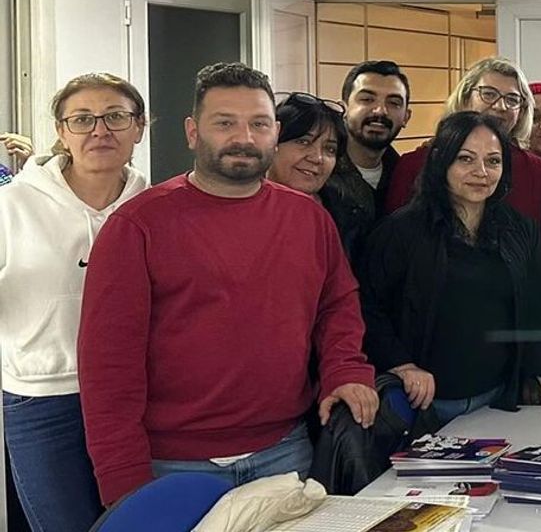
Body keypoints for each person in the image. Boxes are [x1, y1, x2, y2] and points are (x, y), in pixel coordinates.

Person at [78, 62, 377, 505]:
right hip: (172, 466)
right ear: (192, 132)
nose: (244, 138)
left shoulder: (308, 218)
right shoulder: (136, 227)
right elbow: (108, 367)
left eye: (259, 124)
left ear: (275, 133)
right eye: (225, 123)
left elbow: (337, 305)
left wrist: (345, 371)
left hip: (286, 452)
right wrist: (124, 484)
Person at [359, 111, 541, 425]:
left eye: (493, 161)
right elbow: (367, 309)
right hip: (423, 405)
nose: (481, 172)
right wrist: (402, 366)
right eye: (466, 159)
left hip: (496, 401)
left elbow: (536, 311)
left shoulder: (519, 229)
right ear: (441, 160)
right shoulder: (401, 230)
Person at [0, 74, 148, 531]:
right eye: (82, 119)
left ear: (140, 127)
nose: (99, 131)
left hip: (136, 397)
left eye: (115, 117)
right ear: (61, 132)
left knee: (134, 523)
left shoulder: (153, 206)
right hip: (44, 399)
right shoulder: (11, 205)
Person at [386, 58, 541, 228]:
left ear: (522, 111)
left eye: (512, 99)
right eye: (489, 94)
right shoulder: (414, 164)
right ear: (465, 98)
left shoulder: (540, 172)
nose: (501, 106)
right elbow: (394, 235)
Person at [269, 92, 367, 257]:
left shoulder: (349, 215)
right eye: (304, 142)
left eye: (330, 149)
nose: (317, 158)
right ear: (272, 143)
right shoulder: (239, 206)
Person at [327, 59, 411, 223]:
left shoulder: (408, 177)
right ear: (343, 109)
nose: (380, 111)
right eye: (367, 99)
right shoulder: (321, 172)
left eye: (393, 103)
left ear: (406, 117)